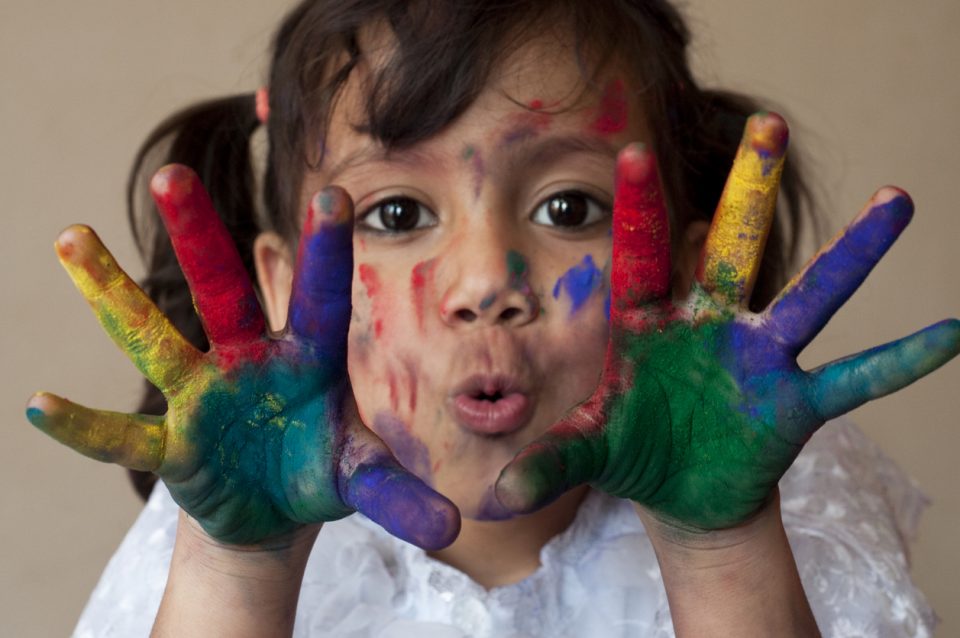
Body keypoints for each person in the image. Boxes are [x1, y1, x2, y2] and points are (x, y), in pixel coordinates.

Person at [24, 1, 960, 636]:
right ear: (275, 294)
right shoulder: (216, 538)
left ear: (682, 276)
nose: (484, 282)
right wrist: (238, 569)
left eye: (569, 209)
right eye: (396, 215)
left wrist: (718, 547)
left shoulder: (776, 511)